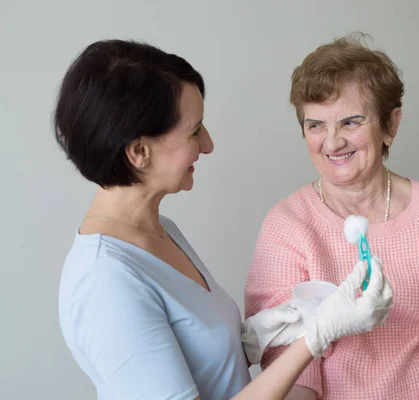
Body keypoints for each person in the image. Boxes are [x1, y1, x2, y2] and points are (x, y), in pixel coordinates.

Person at [54, 39, 394, 400]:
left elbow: (202, 358)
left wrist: (255, 337)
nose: (208, 144)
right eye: (194, 131)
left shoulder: (159, 231)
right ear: (139, 152)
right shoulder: (105, 283)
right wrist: (314, 338)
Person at [244, 33, 419, 400]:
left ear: (390, 125)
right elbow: (289, 364)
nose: (332, 142)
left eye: (350, 122)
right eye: (315, 124)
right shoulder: (287, 225)